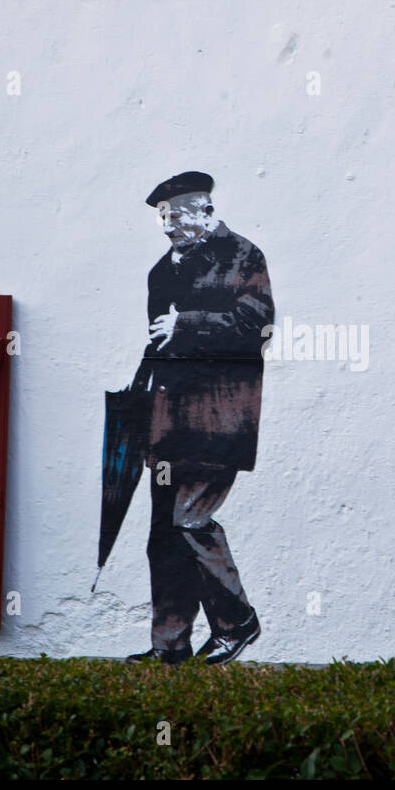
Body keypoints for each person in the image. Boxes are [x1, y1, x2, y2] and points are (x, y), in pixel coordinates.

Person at [125, 171, 274, 665]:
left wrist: (187, 324)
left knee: (191, 520)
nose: (167, 228)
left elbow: (256, 324)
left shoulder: (243, 255)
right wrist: (136, 396)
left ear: (205, 211)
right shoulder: (159, 271)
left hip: (218, 420)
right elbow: (158, 343)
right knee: (164, 536)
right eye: (163, 219)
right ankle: (170, 647)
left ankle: (237, 622)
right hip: (167, 425)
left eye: (176, 217)